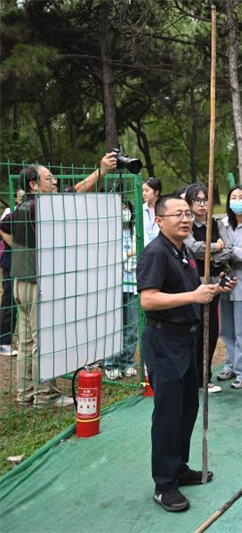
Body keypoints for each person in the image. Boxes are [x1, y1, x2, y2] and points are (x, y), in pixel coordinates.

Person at [137, 195, 235, 512]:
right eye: (176, 213)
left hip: (187, 339)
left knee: (187, 407)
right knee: (167, 414)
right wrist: (193, 294)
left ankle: (179, 466)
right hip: (164, 341)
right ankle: (164, 485)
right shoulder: (155, 253)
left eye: (186, 213)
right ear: (159, 219)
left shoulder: (182, 252)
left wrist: (215, 288)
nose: (184, 218)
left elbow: (190, 291)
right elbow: (149, 300)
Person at [0, 154, 117, 408]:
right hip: (39, 283)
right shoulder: (41, 206)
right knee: (44, 340)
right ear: (34, 185)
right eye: (49, 178)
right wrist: (102, 171)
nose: (54, 183)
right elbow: (76, 190)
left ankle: (25, 393)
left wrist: (20, 249)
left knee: (26, 340)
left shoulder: (20, 208)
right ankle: (45, 396)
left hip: (20, 282)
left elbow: (4, 226)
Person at [184, 184, 231, 394]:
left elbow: (228, 250)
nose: (202, 204)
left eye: (205, 200)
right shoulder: (187, 225)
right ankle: (191, 377)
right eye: (197, 200)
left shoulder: (217, 223)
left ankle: (205, 377)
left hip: (214, 281)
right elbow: (193, 248)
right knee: (194, 330)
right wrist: (215, 247)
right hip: (194, 282)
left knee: (211, 329)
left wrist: (212, 254)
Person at [216, 186, 242, 389]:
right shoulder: (222, 224)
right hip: (224, 281)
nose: (237, 201)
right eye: (233, 197)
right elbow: (217, 252)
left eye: (241, 197)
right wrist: (233, 252)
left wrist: (229, 251)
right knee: (226, 329)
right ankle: (230, 364)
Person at [104, 199, 139, 380]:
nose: (123, 211)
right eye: (119, 208)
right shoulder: (107, 233)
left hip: (132, 283)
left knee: (131, 327)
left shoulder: (135, 231)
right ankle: (111, 363)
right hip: (113, 285)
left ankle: (127, 361)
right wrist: (127, 254)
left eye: (125, 207)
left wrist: (128, 256)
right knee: (114, 326)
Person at [0, 189, 23, 357]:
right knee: (9, 300)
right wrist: (15, 248)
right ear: (15, 198)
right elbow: (2, 229)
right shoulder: (10, 212)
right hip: (11, 262)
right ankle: (3, 341)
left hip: (26, 263)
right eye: (21, 197)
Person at [142, 177, 162, 247]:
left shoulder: (166, 208)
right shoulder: (141, 208)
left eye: (147, 190)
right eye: (143, 190)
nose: (144, 193)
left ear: (156, 192)